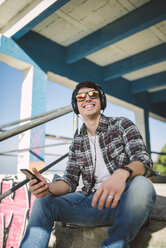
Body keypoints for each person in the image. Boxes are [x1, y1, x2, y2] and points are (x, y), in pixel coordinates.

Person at [20, 81, 156, 248]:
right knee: (43, 202)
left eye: (93, 95)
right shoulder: (77, 141)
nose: (87, 99)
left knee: (143, 184)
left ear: (101, 101)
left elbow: (143, 159)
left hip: (127, 203)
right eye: (81, 97)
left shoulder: (122, 125)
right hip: (93, 205)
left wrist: (123, 173)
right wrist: (46, 188)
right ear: (76, 105)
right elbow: (69, 182)